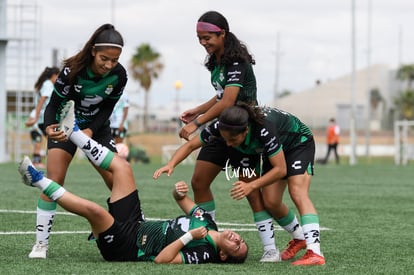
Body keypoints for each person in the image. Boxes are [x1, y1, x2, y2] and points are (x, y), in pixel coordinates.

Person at [18, 102, 248, 264]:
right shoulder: (207, 222)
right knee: (122, 168)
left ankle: (36, 179)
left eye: (236, 246)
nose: (237, 239)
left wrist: (188, 237)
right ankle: (74, 132)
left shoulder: (206, 252)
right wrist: (179, 193)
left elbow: (162, 260)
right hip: (136, 224)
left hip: (126, 246)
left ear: (224, 256)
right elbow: (182, 201)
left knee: (94, 211)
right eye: (242, 240)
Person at [154, 102, 326, 266]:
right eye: (225, 139)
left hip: (297, 143)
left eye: (232, 140)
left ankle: (315, 253)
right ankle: (300, 238)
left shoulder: (264, 130)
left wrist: (251, 185)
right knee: (271, 201)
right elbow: (192, 145)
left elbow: (280, 169)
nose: (228, 144)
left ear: (245, 131)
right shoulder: (222, 126)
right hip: (274, 150)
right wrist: (171, 163)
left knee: (297, 192)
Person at [174, 11, 278, 262]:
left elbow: (230, 100)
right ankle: (212, 237)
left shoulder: (236, 62)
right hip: (222, 130)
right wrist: (198, 110)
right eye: (199, 38)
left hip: (243, 132)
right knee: (199, 182)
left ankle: (271, 249)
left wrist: (197, 123)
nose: (203, 43)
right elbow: (221, 96)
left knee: (251, 191)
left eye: (207, 37)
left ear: (223, 34)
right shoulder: (216, 61)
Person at [28, 23, 128, 259]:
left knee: (117, 179)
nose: (109, 65)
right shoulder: (72, 70)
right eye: (105, 58)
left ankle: (131, 227)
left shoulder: (120, 75)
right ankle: (40, 244)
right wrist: (49, 128)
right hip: (65, 125)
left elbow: (108, 108)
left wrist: (91, 131)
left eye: (114, 60)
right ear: (93, 51)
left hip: (97, 128)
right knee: (55, 180)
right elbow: (53, 103)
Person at [25, 67, 60, 168]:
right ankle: (41, 162)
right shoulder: (48, 84)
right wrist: (35, 118)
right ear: (54, 75)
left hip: (40, 118)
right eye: (58, 76)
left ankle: (41, 161)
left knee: (47, 140)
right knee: (50, 139)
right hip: (42, 118)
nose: (58, 79)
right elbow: (42, 100)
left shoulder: (45, 84)